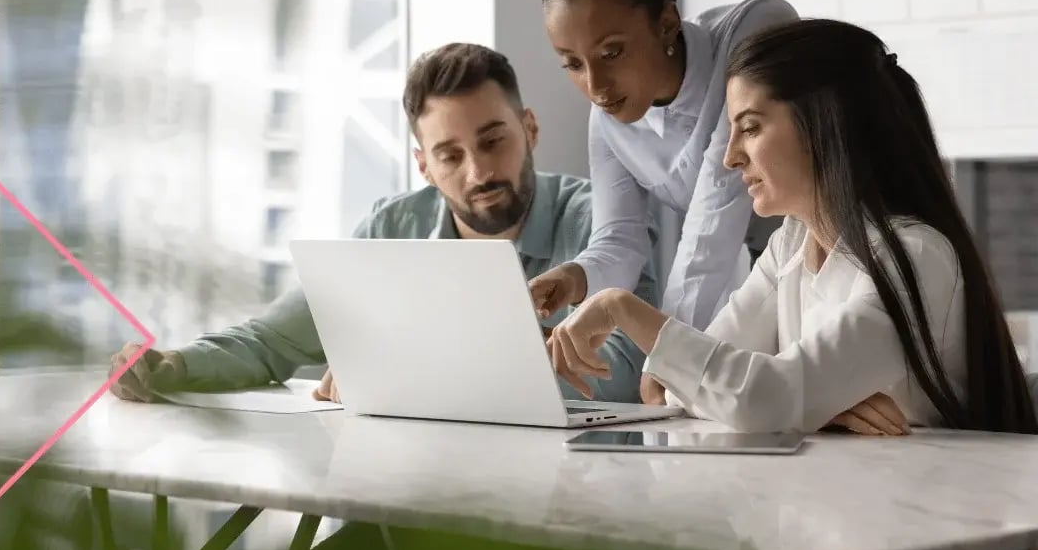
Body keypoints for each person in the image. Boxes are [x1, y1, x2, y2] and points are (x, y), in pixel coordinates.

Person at [548, 18, 1037, 437]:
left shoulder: (916, 255)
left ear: (824, 124)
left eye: (752, 127)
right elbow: (670, 388)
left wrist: (621, 308)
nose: (730, 155)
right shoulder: (790, 246)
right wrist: (816, 410)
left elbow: (762, 397)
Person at [109, 42, 657, 405]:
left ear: (529, 129)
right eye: (450, 155)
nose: (480, 170)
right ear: (423, 164)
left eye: (494, 140)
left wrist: (399, 372)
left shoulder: (604, 222)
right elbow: (270, 341)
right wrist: (175, 366)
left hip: (570, 508)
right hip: (418, 501)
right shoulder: (394, 225)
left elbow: (626, 375)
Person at [524, 0, 798, 410]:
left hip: (849, 264)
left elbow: (715, 218)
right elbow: (621, 240)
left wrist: (668, 355)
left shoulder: (752, 32)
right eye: (572, 64)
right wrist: (574, 278)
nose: (595, 87)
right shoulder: (608, 125)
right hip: (769, 284)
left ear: (667, 22)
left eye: (612, 52)